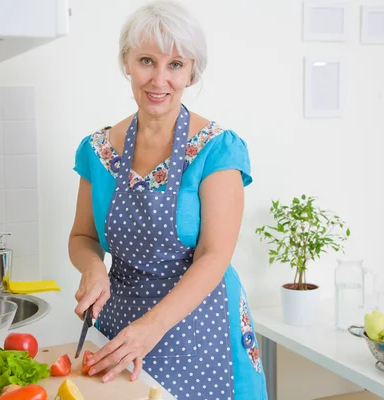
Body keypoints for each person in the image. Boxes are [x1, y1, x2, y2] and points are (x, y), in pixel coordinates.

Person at [68, 1, 268, 398]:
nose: (159, 80)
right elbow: (81, 237)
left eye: (175, 65)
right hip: (120, 329)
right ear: (126, 61)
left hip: (201, 330)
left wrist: (152, 327)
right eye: (146, 60)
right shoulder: (96, 151)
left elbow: (214, 256)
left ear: (192, 71)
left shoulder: (217, 149)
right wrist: (92, 268)